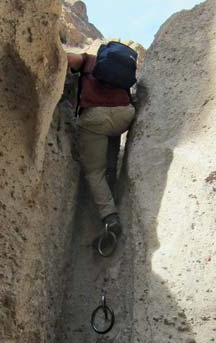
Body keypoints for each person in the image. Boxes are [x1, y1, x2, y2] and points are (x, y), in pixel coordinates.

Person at [67, 51, 136, 236]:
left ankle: (109, 217)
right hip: (125, 115)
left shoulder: (88, 59)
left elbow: (68, 59)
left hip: (95, 119)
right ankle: (112, 173)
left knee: (94, 171)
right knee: (111, 134)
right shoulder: (120, 67)